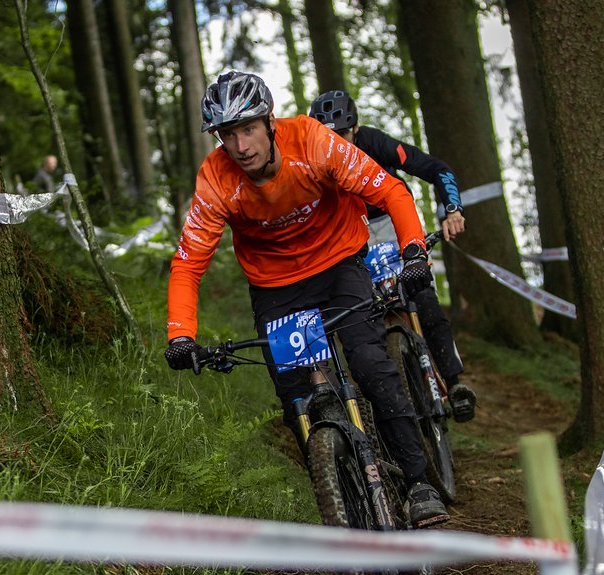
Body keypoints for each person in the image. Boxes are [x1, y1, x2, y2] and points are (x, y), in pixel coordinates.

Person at [164, 71, 448, 528]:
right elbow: (188, 263)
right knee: (294, 393)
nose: (240, 146)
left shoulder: (313, 142)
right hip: (276, 286)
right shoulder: (216, 179)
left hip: (340, 262)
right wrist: (181, 335)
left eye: (248, 129)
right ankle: (336, 492)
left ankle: (418, 484)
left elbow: (390, 190)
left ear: (270, 122)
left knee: (370, 362)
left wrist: (413, 251)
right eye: (227, 135)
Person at [309, 90, 476, 423]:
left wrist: (452, 209)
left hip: (391, 223)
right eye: (327, 136)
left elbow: (435, 168)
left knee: (422, 295)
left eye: (341, 134)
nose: (336, 144)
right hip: (349, 236)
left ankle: (456, 383)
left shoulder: (375, 143)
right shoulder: (314, 158)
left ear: (355, 130)